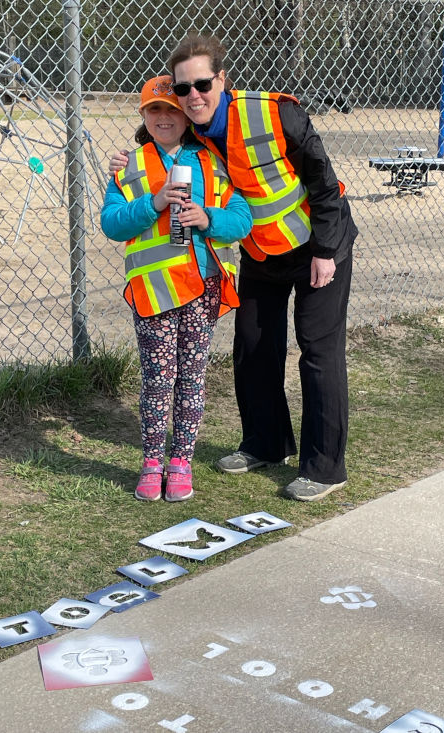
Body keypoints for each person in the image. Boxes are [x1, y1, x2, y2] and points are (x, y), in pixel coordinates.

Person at [109, 37, 358, 502]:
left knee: (317, 351)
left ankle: (325, 468)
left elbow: (323, 180)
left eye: (202, 84)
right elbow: (159, 145)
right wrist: (125, 159)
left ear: (222, 80)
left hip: (316, 244)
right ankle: (266, 444)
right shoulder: (194, 133)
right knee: (254, 344)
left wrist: (326, 249)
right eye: (184, 89)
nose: (193, 96)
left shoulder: (275, 113)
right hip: (262, 251)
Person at [101, 75, 252, 502]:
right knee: (156, 378)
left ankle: (180, 461)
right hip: (155, 291)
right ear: (144, 117)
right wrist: (154, 203)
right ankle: (152, 461)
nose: (164, 117)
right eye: (155, 110)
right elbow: (111, 222)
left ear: (187, 117)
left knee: (191, 376)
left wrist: (208, 220)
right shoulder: (131, 165)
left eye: (172, 110)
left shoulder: (212, 161)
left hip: (202, 286)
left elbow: (241, 219)